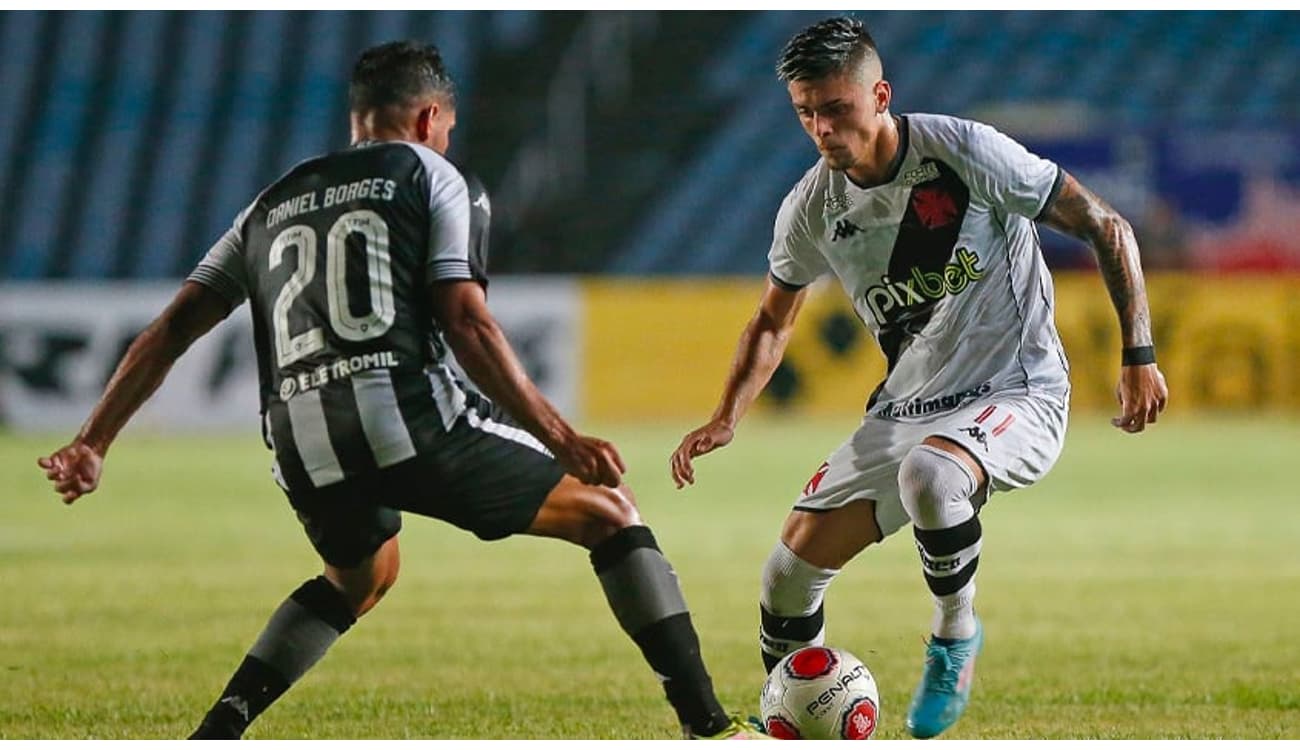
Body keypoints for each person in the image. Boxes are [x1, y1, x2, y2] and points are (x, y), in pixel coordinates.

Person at [38, 41, 765, 741]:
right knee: (609, 512)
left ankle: (219, 729)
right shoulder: (429, 174)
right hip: (406, 420)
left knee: (362, 575)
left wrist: (92, 441)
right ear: (427, 119)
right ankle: (710, 727)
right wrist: (560, 436)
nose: (444, 140)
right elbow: (465, 320)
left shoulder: (271, 201)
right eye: (445, 128)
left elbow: (171, 327)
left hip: (299, 441)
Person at [669, 17, 1168, 740]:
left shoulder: (965, 153)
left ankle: (954, 638)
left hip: (1017, 389)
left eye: (836, 109)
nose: (822, 130)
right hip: (907, 408)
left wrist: (1139, 353)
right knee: (785, 575)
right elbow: (773, 321)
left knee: (931, 478)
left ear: (880, 95)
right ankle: (795, 718)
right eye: (806, 113)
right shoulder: (811, 208)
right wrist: (726, 416)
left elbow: (1105, 224)